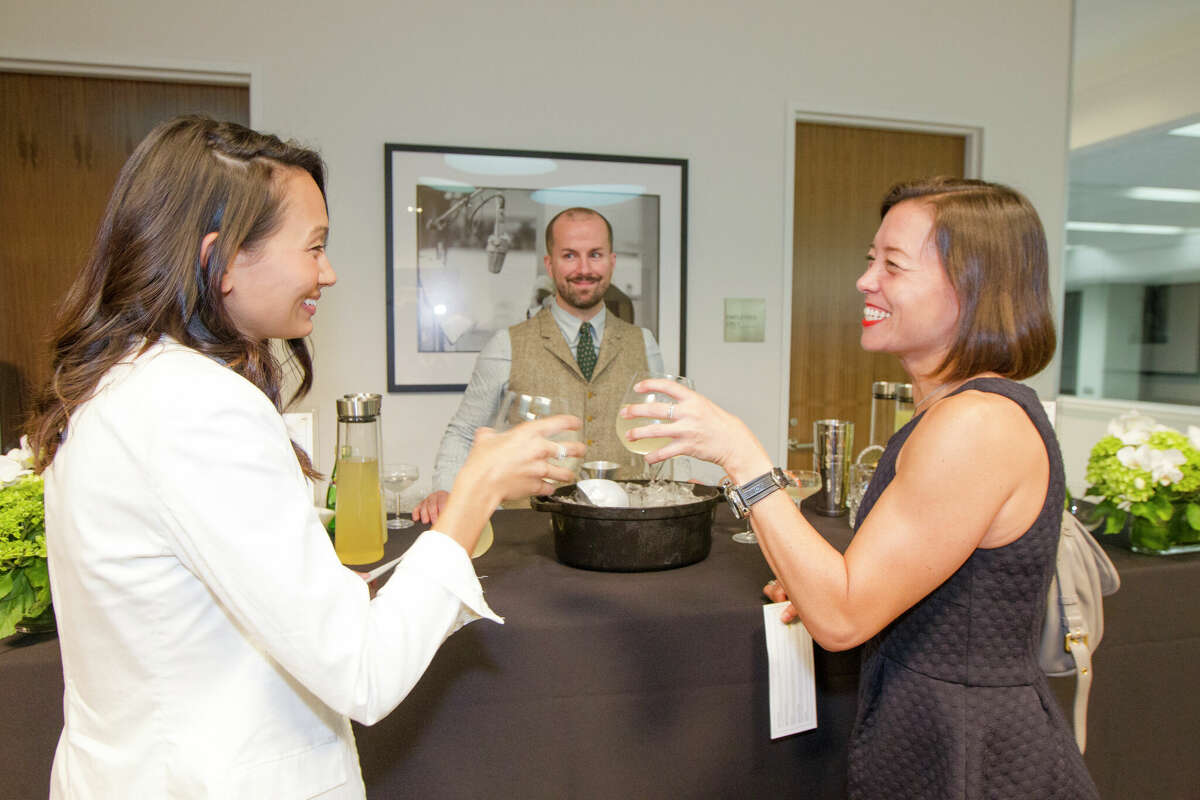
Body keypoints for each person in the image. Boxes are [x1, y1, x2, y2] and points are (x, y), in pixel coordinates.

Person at [25, 116, 583, 799]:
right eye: (313, 246)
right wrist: (478, 489)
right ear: (221, 260)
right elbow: (364, 673)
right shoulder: (197, 407)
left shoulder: (118, 381)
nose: (329, 271)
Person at [621, 177, 1099, 798]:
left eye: (892, 265)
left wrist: (741, 455)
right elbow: (878, 589)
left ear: (973, 287)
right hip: (926, 737)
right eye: (870, 260)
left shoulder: (977, 423)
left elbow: (843, 619)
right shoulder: (953, 411)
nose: (865, 280)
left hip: (972, 759)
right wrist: (811, 579)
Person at [414, 207, 664, 524]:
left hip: (626, 526)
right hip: (530, 531)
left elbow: (665, 429)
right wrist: (446, 490)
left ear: (612, 261)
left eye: (595, 254)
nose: (584, 268)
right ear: (550, 263)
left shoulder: (644, 342)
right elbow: (464, 433)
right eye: (570, 255)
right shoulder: (505, 344)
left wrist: (677, 489)